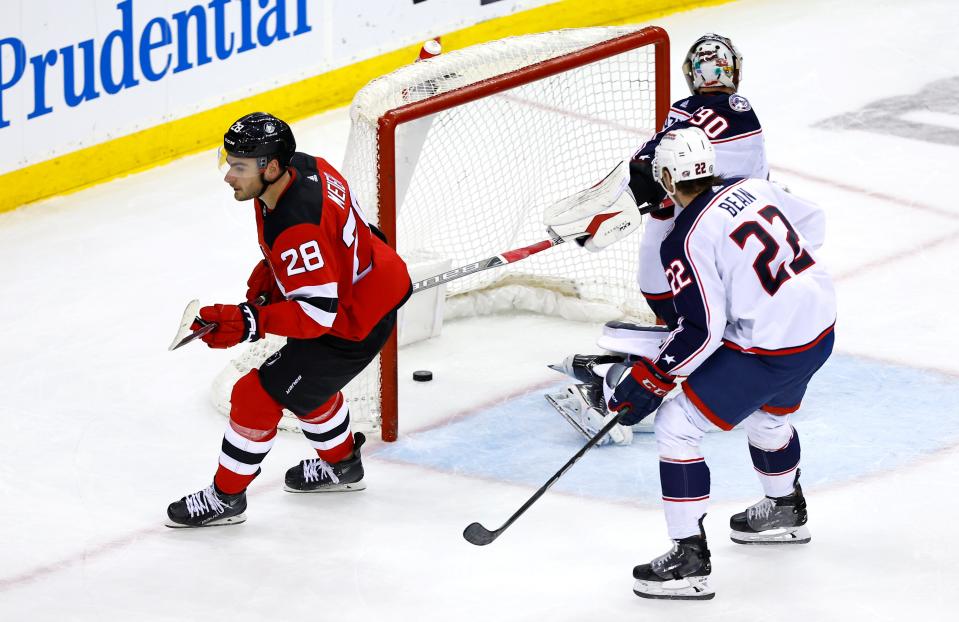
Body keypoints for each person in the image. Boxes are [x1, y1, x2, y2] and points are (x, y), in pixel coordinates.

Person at [603, 126, 835, 599]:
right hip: (819, 330)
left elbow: (702, 332)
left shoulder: (684, 239)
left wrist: (652, 379)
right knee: (769, 417)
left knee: (676, 423)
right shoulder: (754, 185)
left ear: (668, 178)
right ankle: (784, 509)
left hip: (770, 351)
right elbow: (814, 226)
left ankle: (687, 560)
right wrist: (764, 290)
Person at [166, 112, 412, 528]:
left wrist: (248, 320)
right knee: (305, 385)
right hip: (373, 284)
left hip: (353, 321)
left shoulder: (298, 229)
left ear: (272, 167)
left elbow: (317, 317)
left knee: (254, 396)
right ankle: (342, 467)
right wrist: (278, 272)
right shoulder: (306, 166)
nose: (229, 175)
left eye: (240, 167)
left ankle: (227, 499)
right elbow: (351, 229)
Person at [547, 33, 770, 445]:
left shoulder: (718, 114)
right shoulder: (716, 114)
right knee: (685, 321)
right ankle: (662, 369)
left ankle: (642, 385)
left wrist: (619, 203)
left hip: (699, 249)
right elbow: (659, 168)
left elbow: (653, 167)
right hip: (715, 244)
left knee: (695, 327)